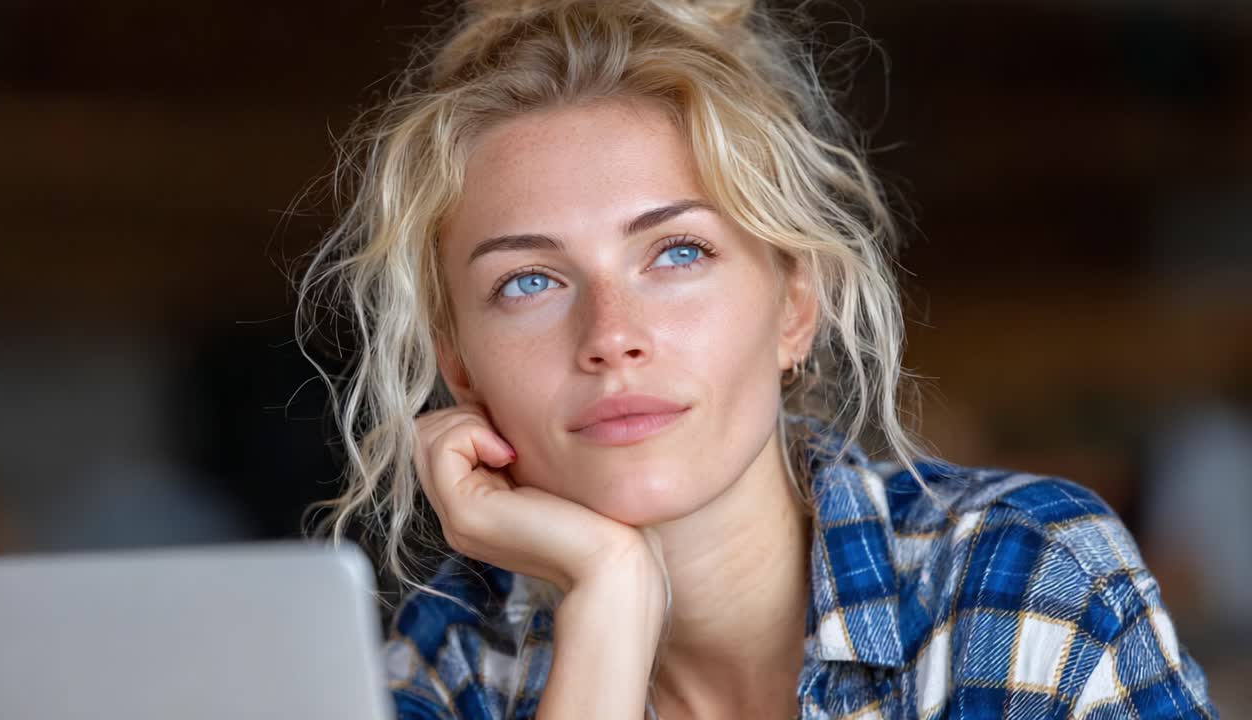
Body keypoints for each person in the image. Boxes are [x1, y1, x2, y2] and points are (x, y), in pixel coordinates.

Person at [294, 1, 1217, 717]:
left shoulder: (1017, 583)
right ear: (460, 370)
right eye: (529, 282)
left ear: (794, 306)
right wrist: (608, 607)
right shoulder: (461, 647)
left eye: (678, 253)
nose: (611, 333)